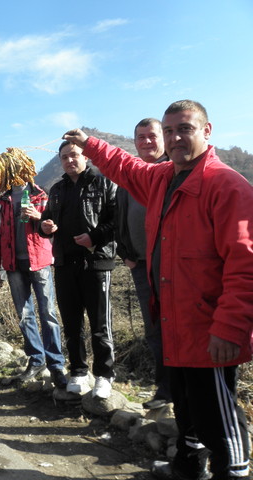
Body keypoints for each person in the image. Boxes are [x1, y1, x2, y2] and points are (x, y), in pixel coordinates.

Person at [64, 99, 253, 480]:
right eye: (169, 131)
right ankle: (188, 463)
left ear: (207, 131)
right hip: (173, 316)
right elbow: (127, 167)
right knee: (186, 403)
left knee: (217, 409)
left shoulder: (225, 185)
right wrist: (91, 143)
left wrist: (230, 327)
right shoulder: (164, 178)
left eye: (184, 128)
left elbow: (246, 265)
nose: (175, 137)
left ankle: (234, 471)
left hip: (209, 325)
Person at [40, 142, 117, 399]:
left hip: (95, 261)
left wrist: (94, 237)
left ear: (85, 156)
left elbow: (116, 219)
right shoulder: (58, 189)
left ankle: (104, 375)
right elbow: (46, 219)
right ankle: (79, 372)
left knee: (99, 325)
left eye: (74, 155)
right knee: (72, 324)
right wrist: (46, 226)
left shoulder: (103, 183)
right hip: (64, 263)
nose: (69, 160)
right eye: (64, 157)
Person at [0, 182, 68, 388]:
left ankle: (56, 363)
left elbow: (54, 224)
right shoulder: (1, 202)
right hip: (13, 264)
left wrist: (39, 217)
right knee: (24, 315)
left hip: (39, 261)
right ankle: (36, 359)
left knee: (48, 313)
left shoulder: (41, 195)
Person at [115, 118, 171, 410]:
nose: (147, 142)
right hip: (140, 266)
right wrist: (125, 253)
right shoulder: (130, 178)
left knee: (177, 327)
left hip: (172, 267)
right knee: (154, 329)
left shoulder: (174, 172)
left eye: (152, 136)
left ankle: (183, 392)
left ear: (164, 138)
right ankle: (165, 391)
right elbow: (118, 220)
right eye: (141, 138)